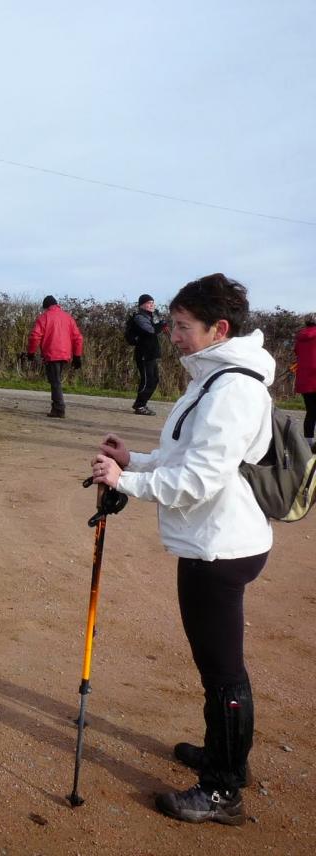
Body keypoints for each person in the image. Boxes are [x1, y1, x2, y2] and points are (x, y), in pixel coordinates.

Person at [90, 273, 273, 825]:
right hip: (212, 539)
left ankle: (223, 789)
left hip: (220, 547)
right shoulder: (211, 379)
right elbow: (185, 458)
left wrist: (125, 484)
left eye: (183, 326)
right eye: (171, 325)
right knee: (216, 668)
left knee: (222, 672)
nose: (173, 335)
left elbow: (199, 480)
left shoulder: (232, 389)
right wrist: (136, 459)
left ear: (219, 328)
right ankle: (224, 758)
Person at [23, 295, 83, 418]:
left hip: (52, 353)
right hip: (65, 354)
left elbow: (35, 336)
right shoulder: (68, 317)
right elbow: (78, 338)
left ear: (46, 307)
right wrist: (77, 356)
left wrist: (31, 353)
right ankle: (57, 407)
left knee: (55, 381)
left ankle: (59, 408)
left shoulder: (44, 317)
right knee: (56, 380)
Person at [128, 293, 168, 416]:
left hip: (150, 354)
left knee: (154, 379)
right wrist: (161, 325)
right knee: (147, 380)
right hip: (144, 354)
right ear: (142, 305)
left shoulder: (149, 317)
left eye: (152, 303)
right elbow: (150, 331)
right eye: (149, 303)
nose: (152, 305)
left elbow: (152, 329)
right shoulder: (140, 317)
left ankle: (141, 404)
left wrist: (160, 324)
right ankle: (140, 406)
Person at [294, 314, 316, 449]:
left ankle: (308, 442)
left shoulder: (300, 337)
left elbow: (297, 352)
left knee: (311, 411)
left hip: (304, 379)